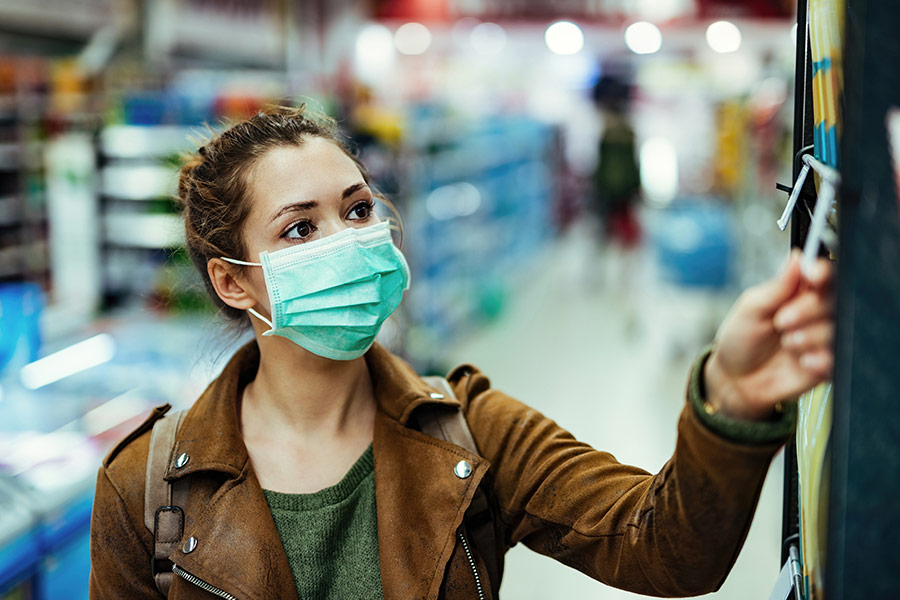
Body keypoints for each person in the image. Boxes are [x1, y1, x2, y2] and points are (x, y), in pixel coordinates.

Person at [88, 106, 834, 600]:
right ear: (232, 282)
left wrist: (729, 401)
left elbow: (667, 546)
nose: (351, 241)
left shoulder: (469, 431)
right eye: (299, 230)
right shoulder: (147, 486)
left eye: (356, 209)